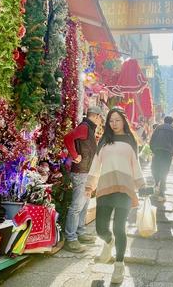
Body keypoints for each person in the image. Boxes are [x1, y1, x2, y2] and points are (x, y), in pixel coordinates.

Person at [85, 108, 145, 284]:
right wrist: (90, 185)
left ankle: (119, 265)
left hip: (125, 190)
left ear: (123, 121)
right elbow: (96, 164)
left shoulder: (130, 140)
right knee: (101, 228)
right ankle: (108, 242)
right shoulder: (104, 140)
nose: (114, 124)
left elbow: (136, 164)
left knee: (120, 228)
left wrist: (141, 185)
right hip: (105, 188)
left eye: (117, 120)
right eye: (111, 120)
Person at [62, 106, 104, 253]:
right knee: (76, 206)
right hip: (81, 172)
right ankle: (71, 238)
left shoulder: (89, 129)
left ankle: (80, 232)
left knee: (84, 204)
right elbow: (68, 138)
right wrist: (75, 155)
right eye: (101, 118)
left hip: (86, 172)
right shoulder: (85, 127)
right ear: (97, 116)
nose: (101, 121)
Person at [149, 116, 173, 201]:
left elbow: (152, 139)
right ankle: (161, 193)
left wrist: (153, 149)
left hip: (157, 151)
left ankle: (157, 183)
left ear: (164, 121)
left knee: (155, 168)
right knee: (164, 171)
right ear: (171, 122)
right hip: (168, 153)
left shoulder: (158, 127)